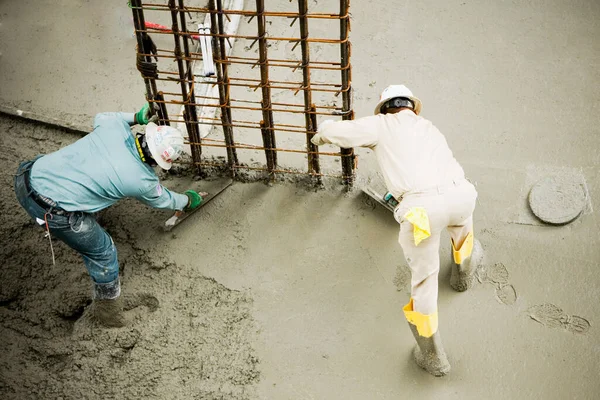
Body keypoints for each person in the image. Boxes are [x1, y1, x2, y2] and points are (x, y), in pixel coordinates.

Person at [311, 85, 483, 376]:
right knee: (462, 229)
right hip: (462, 195)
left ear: (385, 108)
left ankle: (432, 357)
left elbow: (342, 132)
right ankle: (462, 275)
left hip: (421, 213)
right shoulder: (428, 127)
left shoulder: (381, 125)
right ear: (412, 107)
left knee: (424, 280)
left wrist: (323, 132)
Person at [13, 104, 206, 327]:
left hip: (26, 176)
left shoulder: (113, 128)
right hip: (50, 212)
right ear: (157, 161)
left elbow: (104, 116)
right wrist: (188, 200)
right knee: (104, 252)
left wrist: (136, 116)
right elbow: (165, 199)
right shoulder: (142, 181)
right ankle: (109, 315)